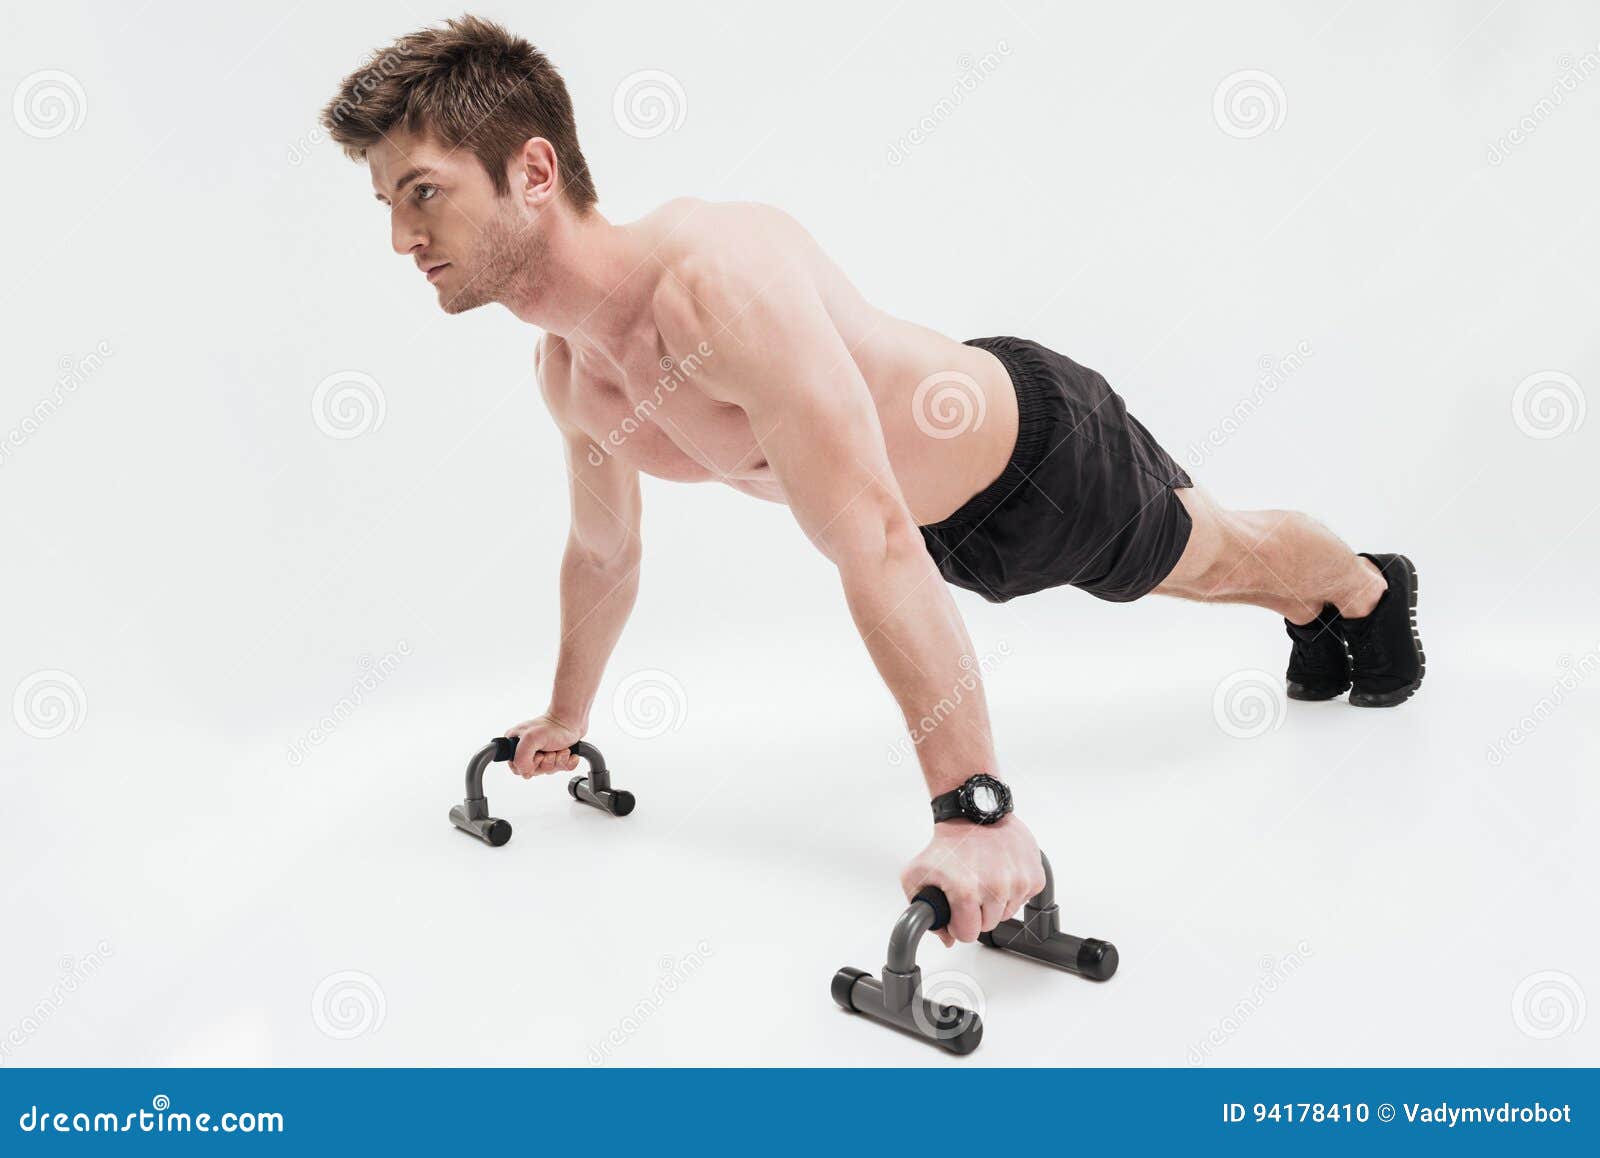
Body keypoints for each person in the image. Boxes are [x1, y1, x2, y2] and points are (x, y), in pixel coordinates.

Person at [322, 16, 1425, 947]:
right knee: (1197, 571)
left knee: (1215, 557)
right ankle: (1318, 608)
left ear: (531, 169)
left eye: (421, 192)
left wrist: (974, 809)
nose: (399, 237)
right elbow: (604, 553)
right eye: (385, 205)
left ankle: (1366, 589)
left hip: (1032, 465)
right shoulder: (572, 376)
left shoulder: (714, 282)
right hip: (935, 532)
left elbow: (871, 536)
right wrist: (565, 714)